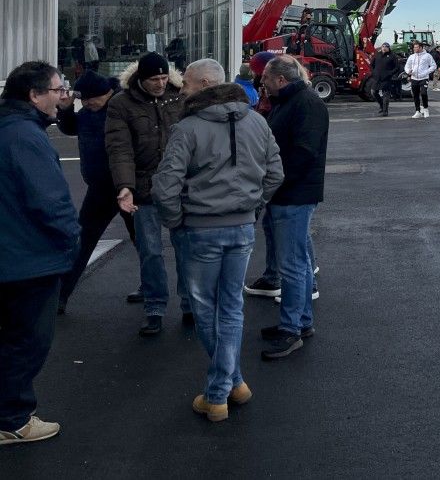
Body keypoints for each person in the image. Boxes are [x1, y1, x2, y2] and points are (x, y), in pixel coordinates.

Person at [152, 59, 284, 422]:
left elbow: (166, 186)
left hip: (200, 229)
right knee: (230, 308)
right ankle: (234, 383)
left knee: (207, 310)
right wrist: (253, 206)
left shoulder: (188, 128)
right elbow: (275, 173)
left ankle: (218, 394)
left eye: (188, 85)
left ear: (206, 84)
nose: (183, 91)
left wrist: (177, 222)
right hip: (241, 228)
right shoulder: (257, 121)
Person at [0, 61, 80, 446]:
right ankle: (12, 419)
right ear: (34, 95)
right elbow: (51, 203)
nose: (62, 97)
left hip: (12, 253)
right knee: (26, 342)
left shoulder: (7, 128)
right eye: (57, 90)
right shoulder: (26, 138)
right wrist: (72, 241)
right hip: (28, 260)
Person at [106, 51, 189, 336]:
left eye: (165, 77)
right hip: (144, 186)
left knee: (186, 249)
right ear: (141, 78)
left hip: (180, 186)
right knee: (150, 251)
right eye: (154, 79)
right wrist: (124, 187)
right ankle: (155, 306)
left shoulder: (181, 97)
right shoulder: (121, 104)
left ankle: (190, 303)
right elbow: (120, 149)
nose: (161, 83)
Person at [260, 55, 328, 360]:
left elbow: (303, 153)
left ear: (280, 80)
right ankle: (300, 323)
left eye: (265, 79)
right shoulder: (289, 101)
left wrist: (274, 182)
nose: (261, 84)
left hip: (293, 195)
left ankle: (291, 330)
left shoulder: (306, 104)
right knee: (295, 263)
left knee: (293, 265)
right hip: (287, 193)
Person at [56, 71, 135, 313]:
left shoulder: (123, 109)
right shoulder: (87, 114)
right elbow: (71, 128)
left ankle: (153, 290)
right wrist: (66, 110)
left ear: (107, 93)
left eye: (92, 99)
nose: (88, 103)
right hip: (99, 188)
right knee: (82, 241)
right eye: (85, 100)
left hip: (126, 186)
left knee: (143, 240)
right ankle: (60, 297)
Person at [404, 41, 435, 119]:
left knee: (423, 93)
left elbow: (433, 66)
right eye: (414, 47)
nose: (415, 49)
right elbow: (407, 66)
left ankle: (425, 108)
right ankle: (418, 111)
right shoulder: (411, 56)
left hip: (424, 78)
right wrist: (408, 71)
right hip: (414, 78)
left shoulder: (427, 56)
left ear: (421, 47)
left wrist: (426, 72)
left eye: (417, 47)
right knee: (415, 95)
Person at [370, 42, 400, 117]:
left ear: (388, 48)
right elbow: (371, 65)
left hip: (386, 78)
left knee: (386, 94)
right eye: (383, 46)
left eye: (386, 47)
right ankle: (381, 105)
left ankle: (385, 111)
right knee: (373, 92)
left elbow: (397, 67)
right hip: (377, 78)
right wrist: (374, 72)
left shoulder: (392, 56)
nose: (384, 48)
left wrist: (390, 73)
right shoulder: (377, 55)